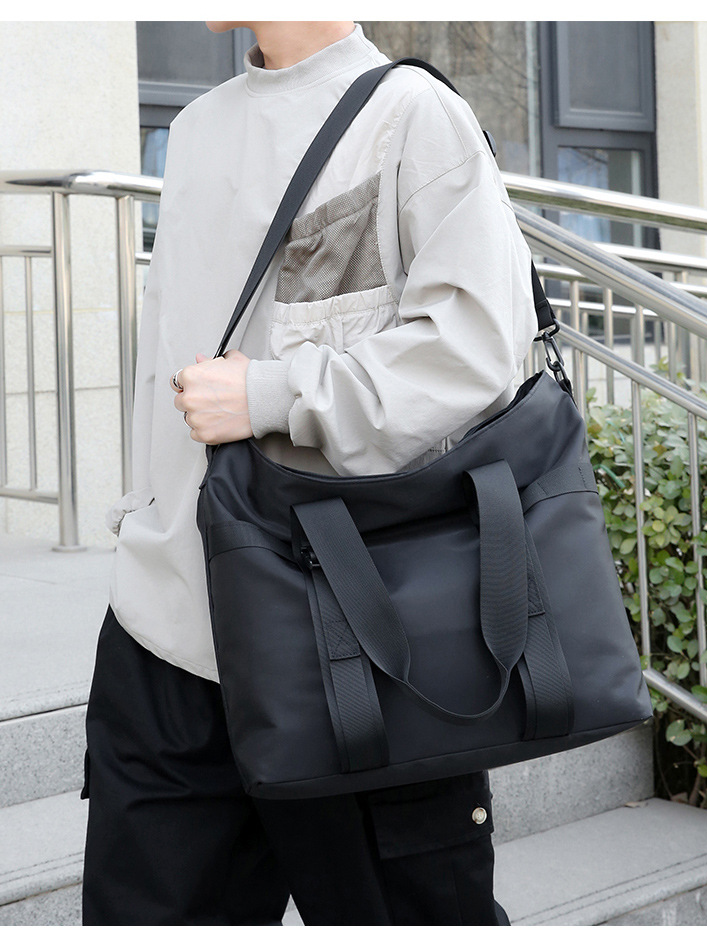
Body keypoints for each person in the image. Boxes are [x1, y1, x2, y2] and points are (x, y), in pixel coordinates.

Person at [81, 20, 538, 926]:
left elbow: (480, 346)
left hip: (355, 634)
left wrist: (274, 394)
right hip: (168, 635)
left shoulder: (412, 115)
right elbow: (168, 359)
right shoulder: (198, 128)